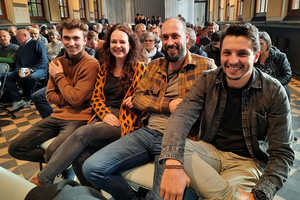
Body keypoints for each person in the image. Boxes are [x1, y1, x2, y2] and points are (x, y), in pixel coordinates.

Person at [82, 17, 216, 200]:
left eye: (175, 36)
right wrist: (168, 104)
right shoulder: (154, 66)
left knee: (160, 196)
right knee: (92, 168)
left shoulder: (205, 67)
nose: (170, 42)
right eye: (166, 37)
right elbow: (137, 98)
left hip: (177, 139)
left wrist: (160, 103)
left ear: (187, 38)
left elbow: (209, 108)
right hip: (146, 132)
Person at [158, 23, 294, 200]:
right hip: (210, 151)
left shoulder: (273, 91)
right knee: (170, 149)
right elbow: (181, 115)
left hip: (248, 161)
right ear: (220, 53)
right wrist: (173, 166)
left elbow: (282, 153)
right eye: (227, 53)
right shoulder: (207, 79)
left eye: (242, 53)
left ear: (256, 56)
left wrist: (261, 194)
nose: (233, 60)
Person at [29, 24, 146, 187]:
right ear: (108, 44)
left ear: (130, 45)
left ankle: (43, 178)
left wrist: (136, 99)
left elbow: (147, 97)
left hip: (126, 119)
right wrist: (105, 114)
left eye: (122, 42)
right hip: (103, 116)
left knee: (81, 133)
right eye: (113, 42)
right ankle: (92, 194)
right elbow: (96, 97)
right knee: (80, 158)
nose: (117, 46)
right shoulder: (105, 68)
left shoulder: (140, 68)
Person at [8, 19, 100, 172]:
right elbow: (50, 95)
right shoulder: (57, 62)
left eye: (76, 38)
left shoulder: (91, 64)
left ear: (84, 40)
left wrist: (60, 77)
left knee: (53, 152)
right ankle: (65, 161)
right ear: (62, 38)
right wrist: (74, 96)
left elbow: (76, 100)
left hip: (80, 118)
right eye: (67, 38)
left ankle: (61, 160)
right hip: (57, 116)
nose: (71, 43)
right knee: (16, 148)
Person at [5, 29, 48, 111]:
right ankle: (18, 99)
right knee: (7, 76)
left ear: (25, 35)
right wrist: (18, 70)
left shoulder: (37, 43)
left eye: (18, 37)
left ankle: (29, 98)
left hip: (39, 69)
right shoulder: (20, 48)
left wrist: (32, 70)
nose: (16, 38)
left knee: (32, 77)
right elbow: (18, 62)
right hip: (24, 70)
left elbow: (43, 60)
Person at [254, 31, 292, 101]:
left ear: (268, 44)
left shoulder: (280, 57)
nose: (258, 47)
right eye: (256, 44)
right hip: (259, 95)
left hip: (278, 93)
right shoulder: (253, 57)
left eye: (261, 44)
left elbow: (287, 76)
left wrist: (271, 85)